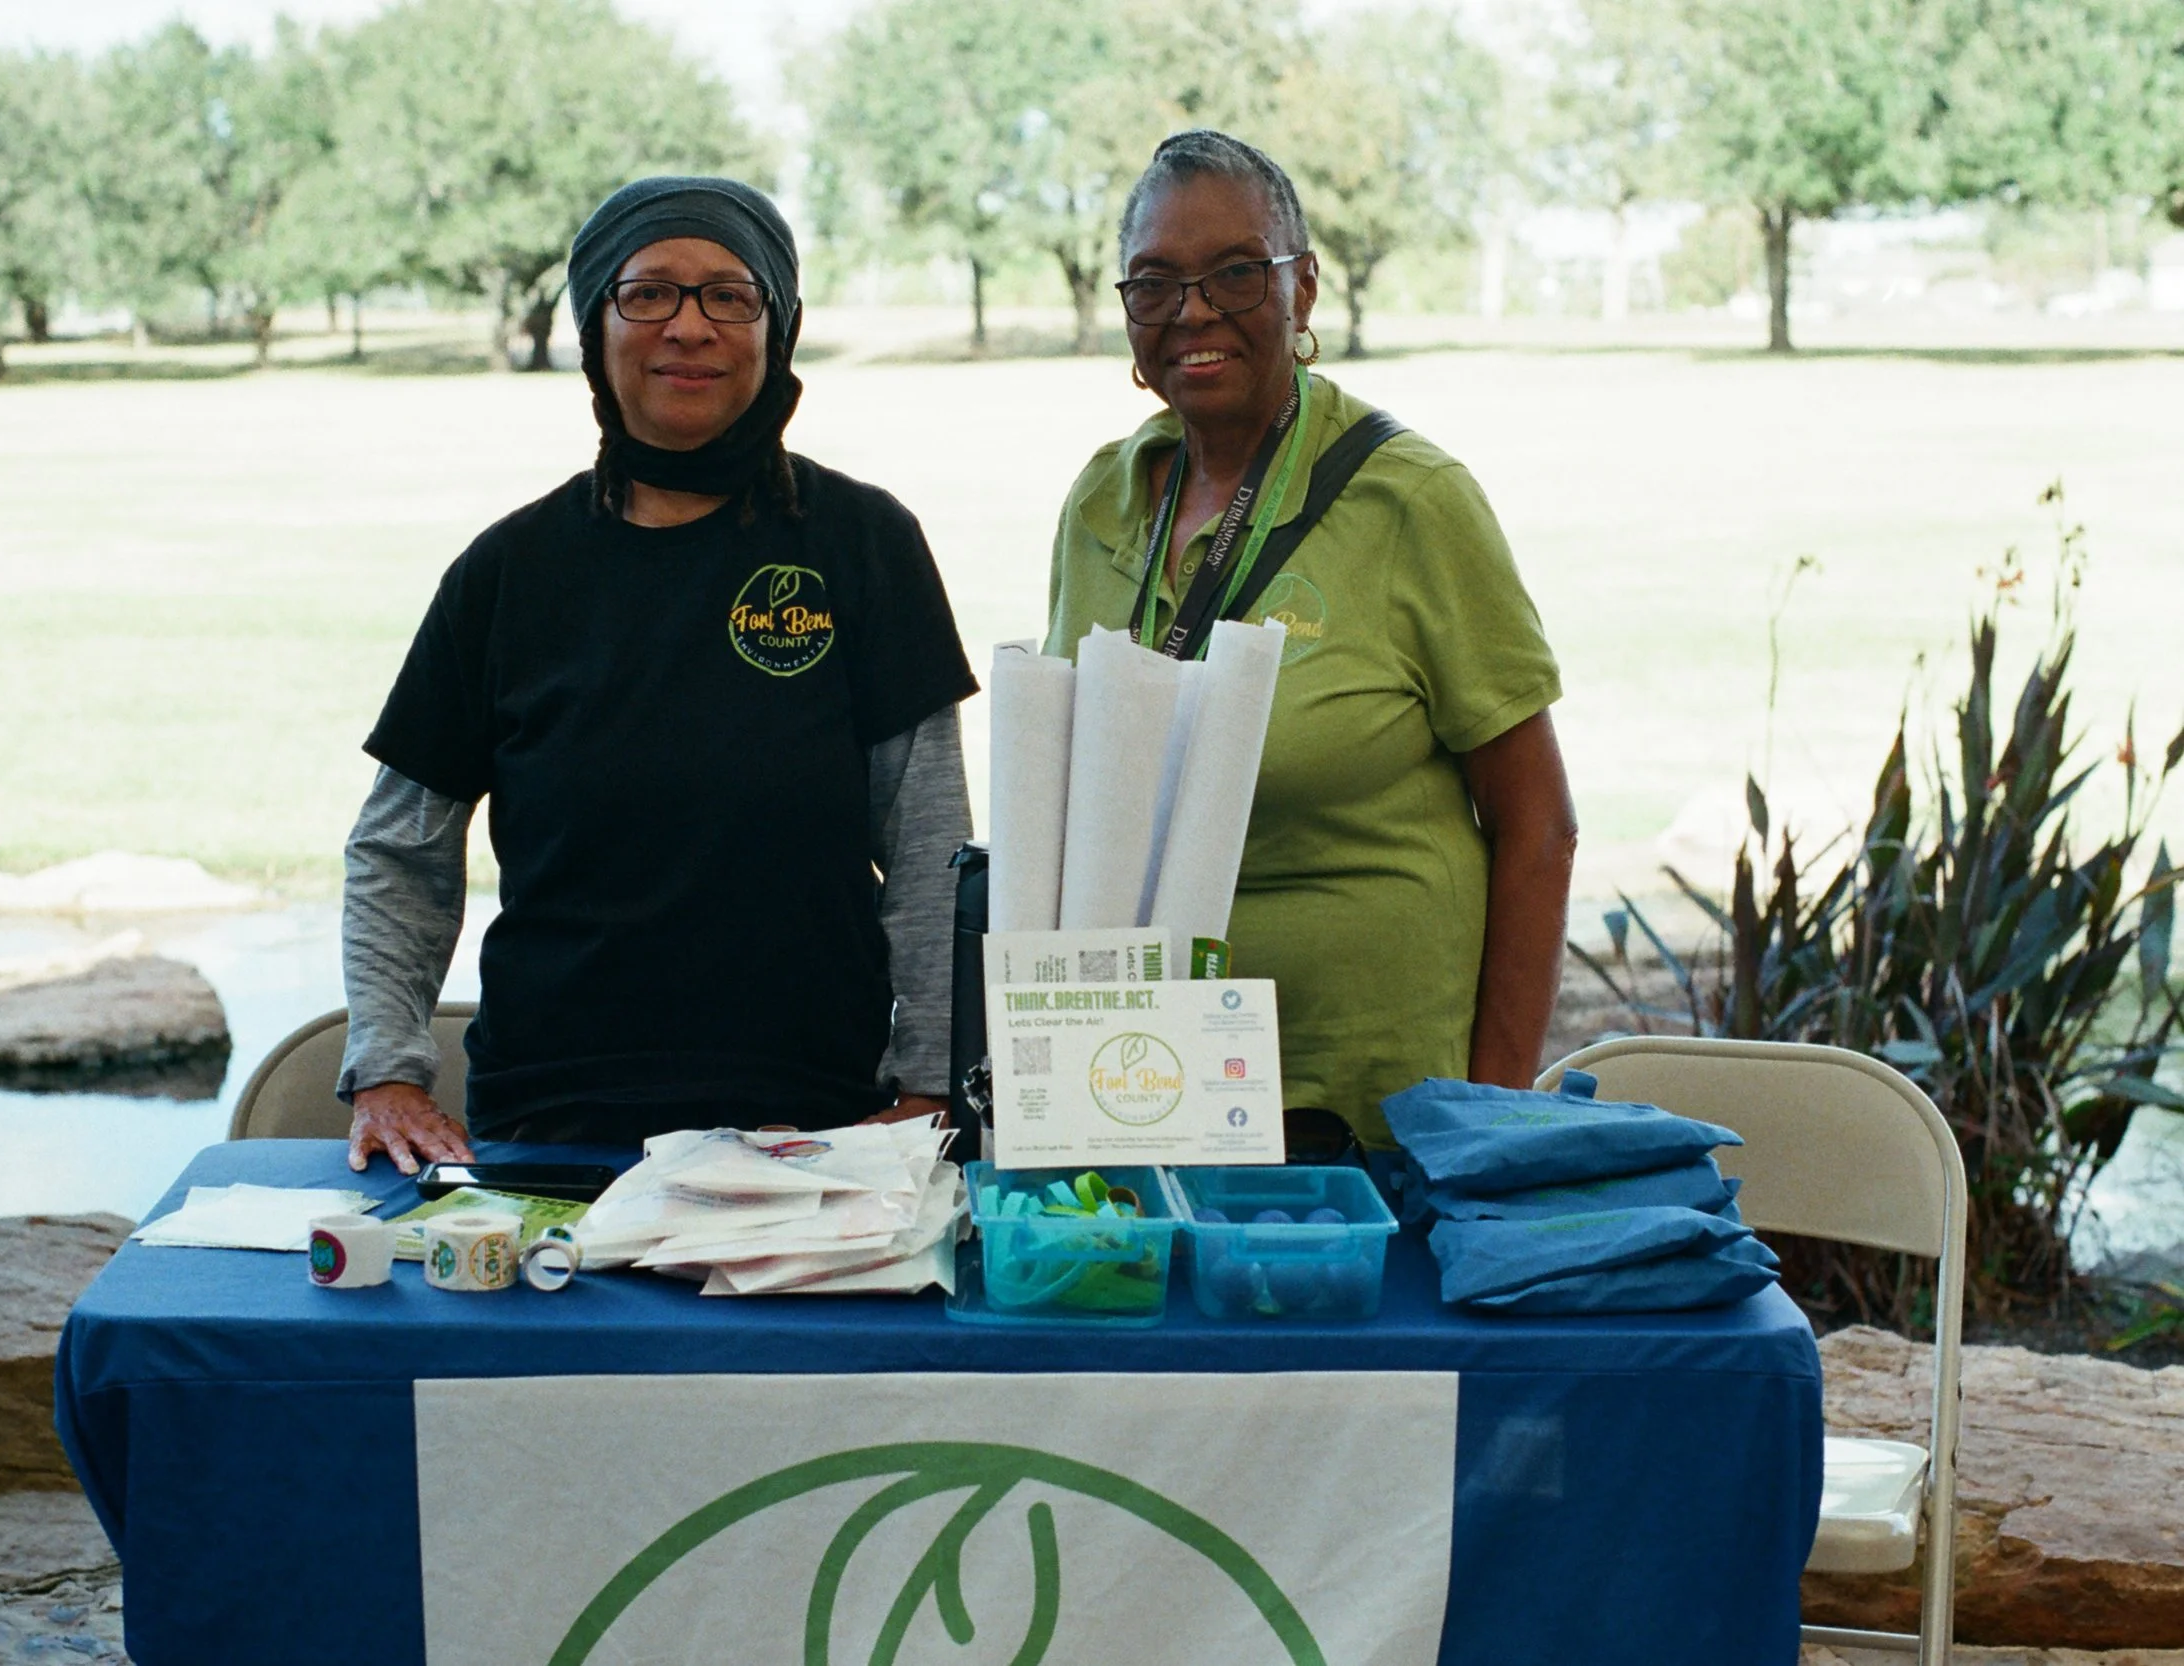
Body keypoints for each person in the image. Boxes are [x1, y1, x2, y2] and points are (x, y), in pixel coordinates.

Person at [338, 176, 977, 1174]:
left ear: (779, 330)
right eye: (648, 294)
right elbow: (398, 851)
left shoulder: (865, 546)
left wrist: (930, 1085)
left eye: (729, 294)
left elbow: (930, 839)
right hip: (546, 1128)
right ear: (594, 328)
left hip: (817, 1126)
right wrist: (387, 1068)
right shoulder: (506, 574)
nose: (689, 326)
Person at [1044, 131, 1577, 1161]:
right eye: (1155, 283)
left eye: (1235, 273)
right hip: (1138, 1093)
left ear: (1304, 289)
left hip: (1376, 1120)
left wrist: (1491, 1117)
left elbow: (1538, 824)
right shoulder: (1099, 503)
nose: (1193, 311)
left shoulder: (1412, 500)